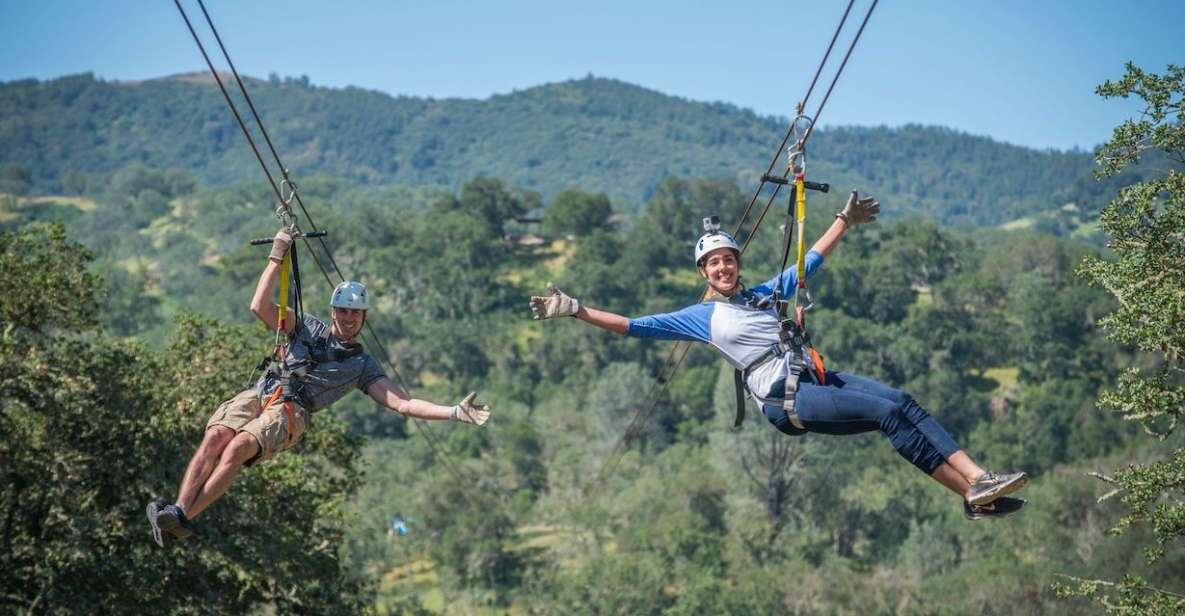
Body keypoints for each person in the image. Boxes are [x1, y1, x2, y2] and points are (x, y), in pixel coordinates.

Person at [530, 192, 1028, 520]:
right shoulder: (700, 317)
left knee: (901, 401)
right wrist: (575, 309)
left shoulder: (765, 293)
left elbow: (809, 261)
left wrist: (844, 221)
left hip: (813, 376)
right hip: (786, 398)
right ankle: (969, 493)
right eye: (713, 264)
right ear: (704, 274)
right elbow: (632, 326)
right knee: (884, 414)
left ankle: (978, 483)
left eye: (728, 260)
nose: (723, 268)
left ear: (736, 265)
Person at [147, 228, 491, 548]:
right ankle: (176, 512)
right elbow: (259, 307)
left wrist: (452, 412)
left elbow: (403, 404)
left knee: (237, 448)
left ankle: (183, 519)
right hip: (263, 390)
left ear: (364, 318)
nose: (348, 319)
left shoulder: (361, 366)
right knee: (215, 437)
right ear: (332, 311)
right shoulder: (305, 325)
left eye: (355, 314)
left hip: (290, 412)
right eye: (342, 312)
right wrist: (277, 255)